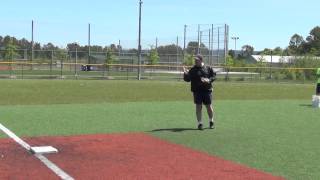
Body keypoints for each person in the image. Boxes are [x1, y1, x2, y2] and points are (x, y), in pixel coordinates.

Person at [183, 54, 216, 130]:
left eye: (197, 60)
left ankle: (211, 121)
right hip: (197, 91)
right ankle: (200, 123)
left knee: (209, 107)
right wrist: (185, 73)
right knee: (198, 107)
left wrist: (209, 80)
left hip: (207, 91)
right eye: (195, 60)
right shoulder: (193, 69)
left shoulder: (208, 68)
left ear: (201, 60)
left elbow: (214, 76)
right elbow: (187, 79)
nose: (195, 61)